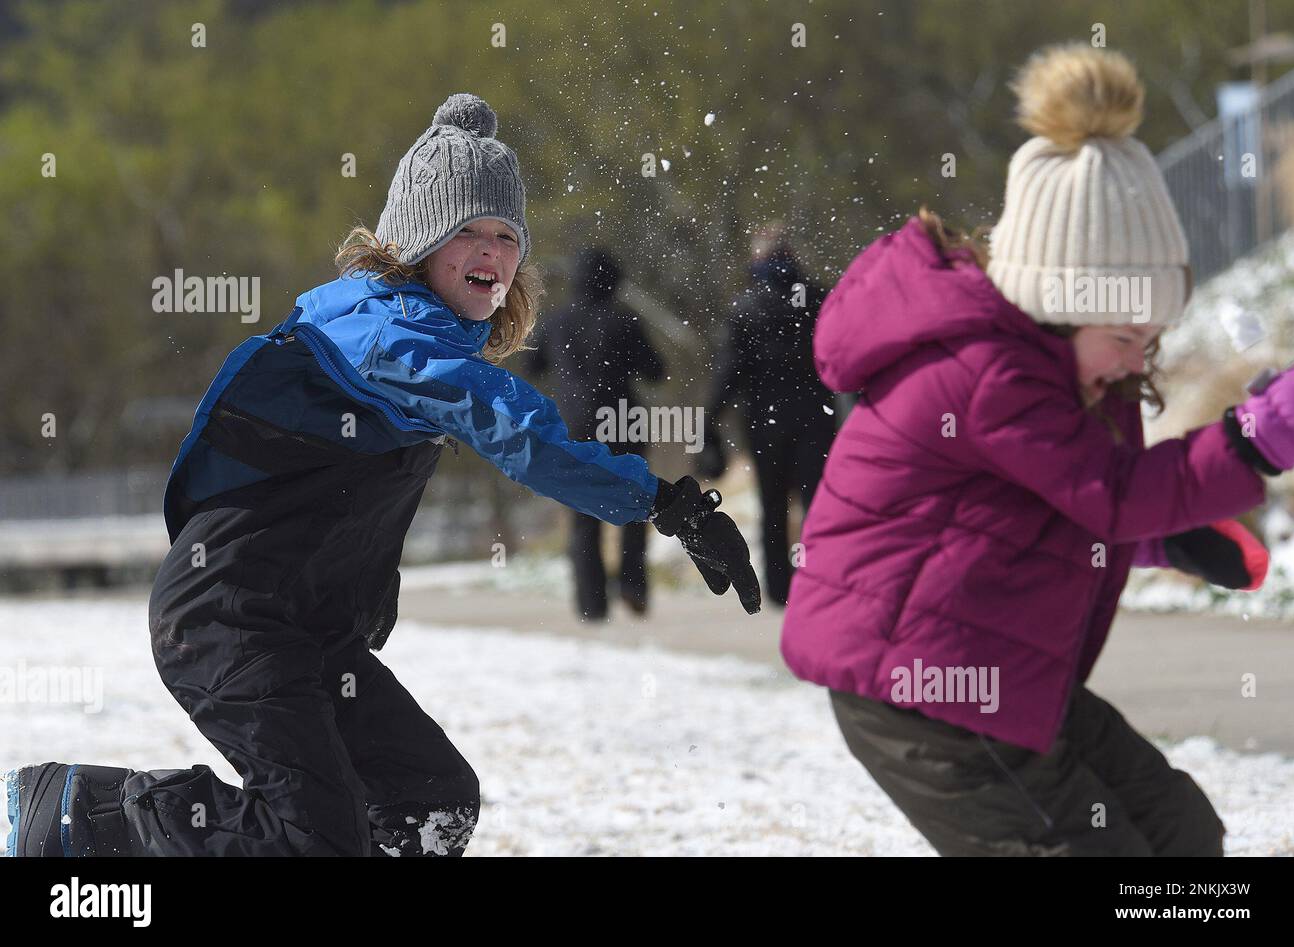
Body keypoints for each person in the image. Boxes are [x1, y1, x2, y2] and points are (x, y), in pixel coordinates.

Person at [5, 94, 759, 858]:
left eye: (506, 235)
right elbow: (528, 438)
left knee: (431, 803)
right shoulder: (392, 339)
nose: (491, 251)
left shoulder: (409, 333)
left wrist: (362, 582)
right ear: (418, 241)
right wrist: (670, 504)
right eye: (467, 230)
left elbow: (336, 483)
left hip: (303, 626)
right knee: (314, 838)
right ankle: (77, 812)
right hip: (231, 619)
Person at [781, 44, 1289, 856]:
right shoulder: (989, 370)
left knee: (1180, 832)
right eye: (1126, 335)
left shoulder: (1069, 366)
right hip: (922, 687)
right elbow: (1111, 491)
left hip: (990, 666)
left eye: (1150, 338)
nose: (1137, 358)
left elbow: (1042, 493)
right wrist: (1257, 438)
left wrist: (1159, 536)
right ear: (1058, 300)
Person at [699, 224, 836, 606]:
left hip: (765, 421)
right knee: (818, 506)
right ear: (790, 256)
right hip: (816, 417)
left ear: (758, 258)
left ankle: (779, 592)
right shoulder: (817, 298)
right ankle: (822, 581)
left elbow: (729, 371)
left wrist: (709, 419)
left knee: (773, 507)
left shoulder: (745, 306)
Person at [526, 247, 665, 618]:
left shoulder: (557, 322)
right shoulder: (624, 319)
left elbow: (532, 365)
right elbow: (655, 369)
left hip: (575, 425)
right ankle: (633, 585)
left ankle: (591, 602)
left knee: (582, 513)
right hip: (622, 421)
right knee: (635, 503)